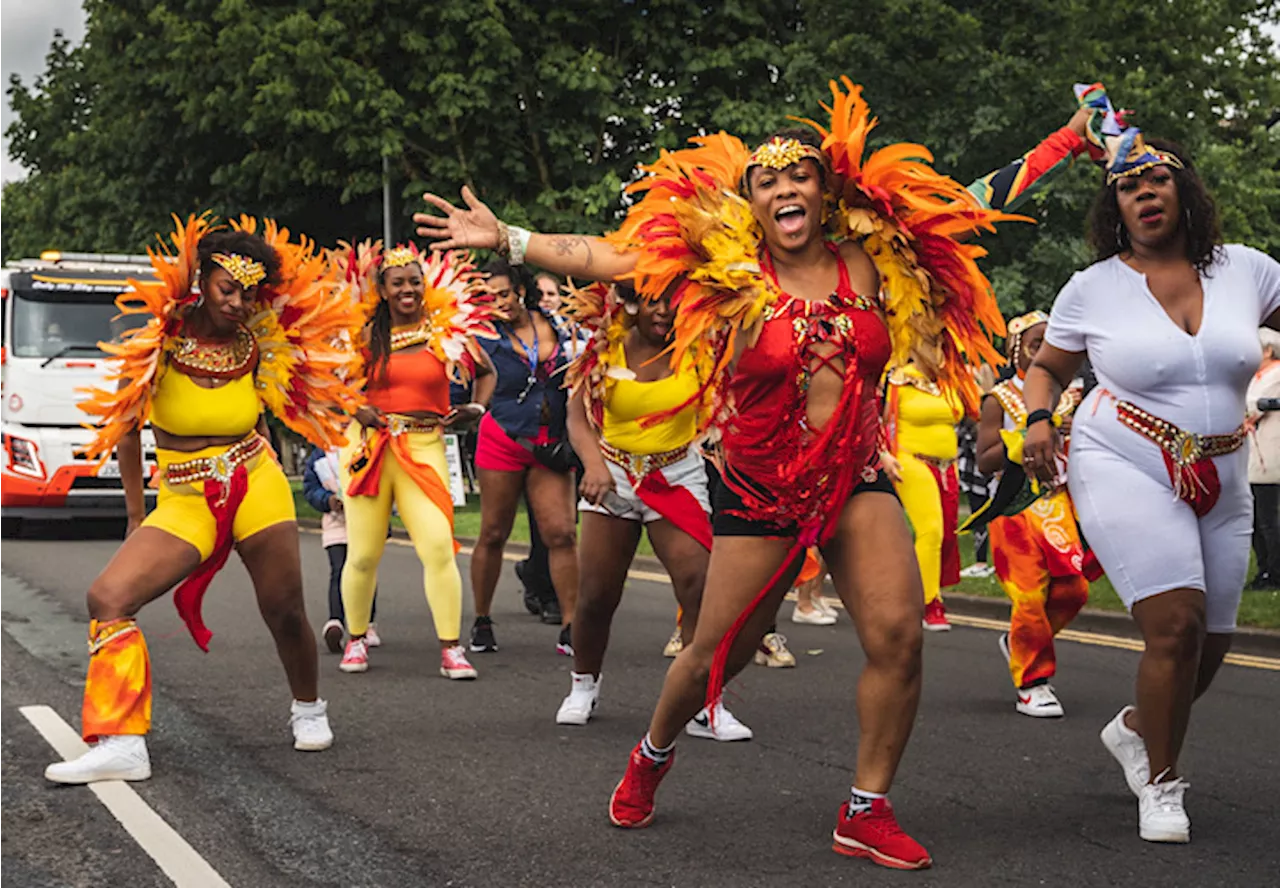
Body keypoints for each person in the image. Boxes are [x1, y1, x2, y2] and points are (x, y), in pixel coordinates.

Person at [416, 77, 1092, 870]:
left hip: (853, 475)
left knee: (900, 638)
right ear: (752, 203)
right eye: (766, 181)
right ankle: (653, 752)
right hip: (759, 486)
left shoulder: (871, 258)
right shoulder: (719, 270)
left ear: (825, 189)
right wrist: (510, 239)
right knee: (715, 653)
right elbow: (610, 255)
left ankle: (866, 808)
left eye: (798, 175)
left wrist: (1071, 138)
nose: (783, 188)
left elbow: (974, 201)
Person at [1022, 90, 1280, 843]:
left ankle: (1138, 728)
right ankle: (1163, 785)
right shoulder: (1092, 287)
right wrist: (1039, 418)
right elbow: (1048, 368)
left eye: (1156, 180)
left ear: (1183, 191)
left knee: (1214, 640)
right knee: (1174, 625)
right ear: (1117, 208)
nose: (1143, 193)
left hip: (1225, 469)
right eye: (1128, 187)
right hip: (1124, 455)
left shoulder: (1249, 271)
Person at [50, 215, 357, 784]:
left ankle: (308, 708)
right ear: (200, 281)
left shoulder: (261, 342)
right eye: (228, 289)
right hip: (186, 495)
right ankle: (122, 742)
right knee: (109, 597)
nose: (240, 302)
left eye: (249, 292)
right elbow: (124, 428)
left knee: (284, 607)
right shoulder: (156, 343)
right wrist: (138, 516)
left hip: (253, 480)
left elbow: (298, 394)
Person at [557, 281, 751, 740]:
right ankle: (584, 684)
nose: (664, 311)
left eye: (673, 301)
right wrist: (594, 465)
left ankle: (705, 703)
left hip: (677, 474)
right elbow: (578, 415)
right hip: (615, 474)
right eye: (653, 301)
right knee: (597, 596)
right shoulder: (606, 346)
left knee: (699, 584)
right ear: (630, 302)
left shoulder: (701, 347)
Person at [334, 243, 492, 679]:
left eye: (414, 282)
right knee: (363, 554)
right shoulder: (366, 335)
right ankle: (356, 638)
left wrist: (475, 410)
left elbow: (486, 371)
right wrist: (355, 407)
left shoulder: (446, 330)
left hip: (424, 446)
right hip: (369, 447)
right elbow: (333, 383)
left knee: (439, 546)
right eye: (398, 283)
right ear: (382, 290)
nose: (408, 289)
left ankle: (451, 648)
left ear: (425, 286)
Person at [974, 311, 1088, 717]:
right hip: (1013, 507)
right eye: (1034, 344)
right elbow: (986, 461)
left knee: (1074, 590)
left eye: (1049, 344)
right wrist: (1027, 437)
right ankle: (1032, 682)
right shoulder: (999, 399)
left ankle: (1020, 640)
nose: (1042, 352)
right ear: (1016, 350)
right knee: (1028, 596)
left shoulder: (1071, 396)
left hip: (1057, 505)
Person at [469, 259, 578, 656]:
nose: (498, 302)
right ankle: (482, 620)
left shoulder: (558, 325)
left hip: (549, 442)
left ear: (520, 289)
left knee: (561, 533)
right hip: (502, 438)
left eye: (504, 293)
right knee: (494, 533)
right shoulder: (479, 336)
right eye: (488, 297)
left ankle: (571, 626)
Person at [883, 364, 965, 630]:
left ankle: (914, 591)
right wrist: (885, 455)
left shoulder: (949, 379)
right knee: (931, 531)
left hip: (948, 465)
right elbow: (881, 419)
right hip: (910, 460)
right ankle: (929, 603)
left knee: (949, 535)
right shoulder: (897, 378)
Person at [301, 445, 381, 652]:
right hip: (335, 521)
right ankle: (335, 621)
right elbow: (310, 488)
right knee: (339, 569)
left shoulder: (365, 445)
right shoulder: (319, 454)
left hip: (365, 518)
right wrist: (327, 500)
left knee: (364, 568)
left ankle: (367, 624)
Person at [1246, 329, 1280, 589]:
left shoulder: (1276, 374)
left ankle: (1275, 572)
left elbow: (1254, 405)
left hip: (1272, 454)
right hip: (1253, 456)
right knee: (1255, 519)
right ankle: (1263, 570)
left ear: (1268, 350)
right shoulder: (1254, 377)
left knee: (1270, 518)